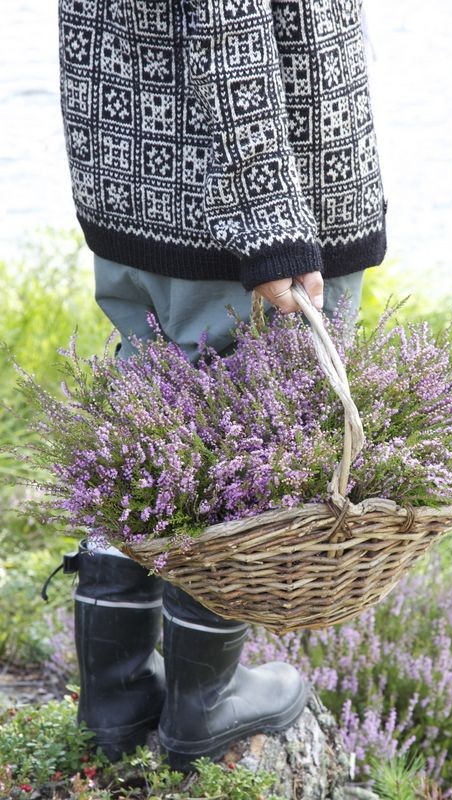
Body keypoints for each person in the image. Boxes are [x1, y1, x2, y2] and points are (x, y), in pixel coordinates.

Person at [55, 0, 387, 771]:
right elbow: (227, 30)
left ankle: (115, 697)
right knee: (242, 437)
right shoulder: (262, 222)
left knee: (152, 421)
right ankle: (206, 703)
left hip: (139, 176)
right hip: (240, 212)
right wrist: (271, 226)